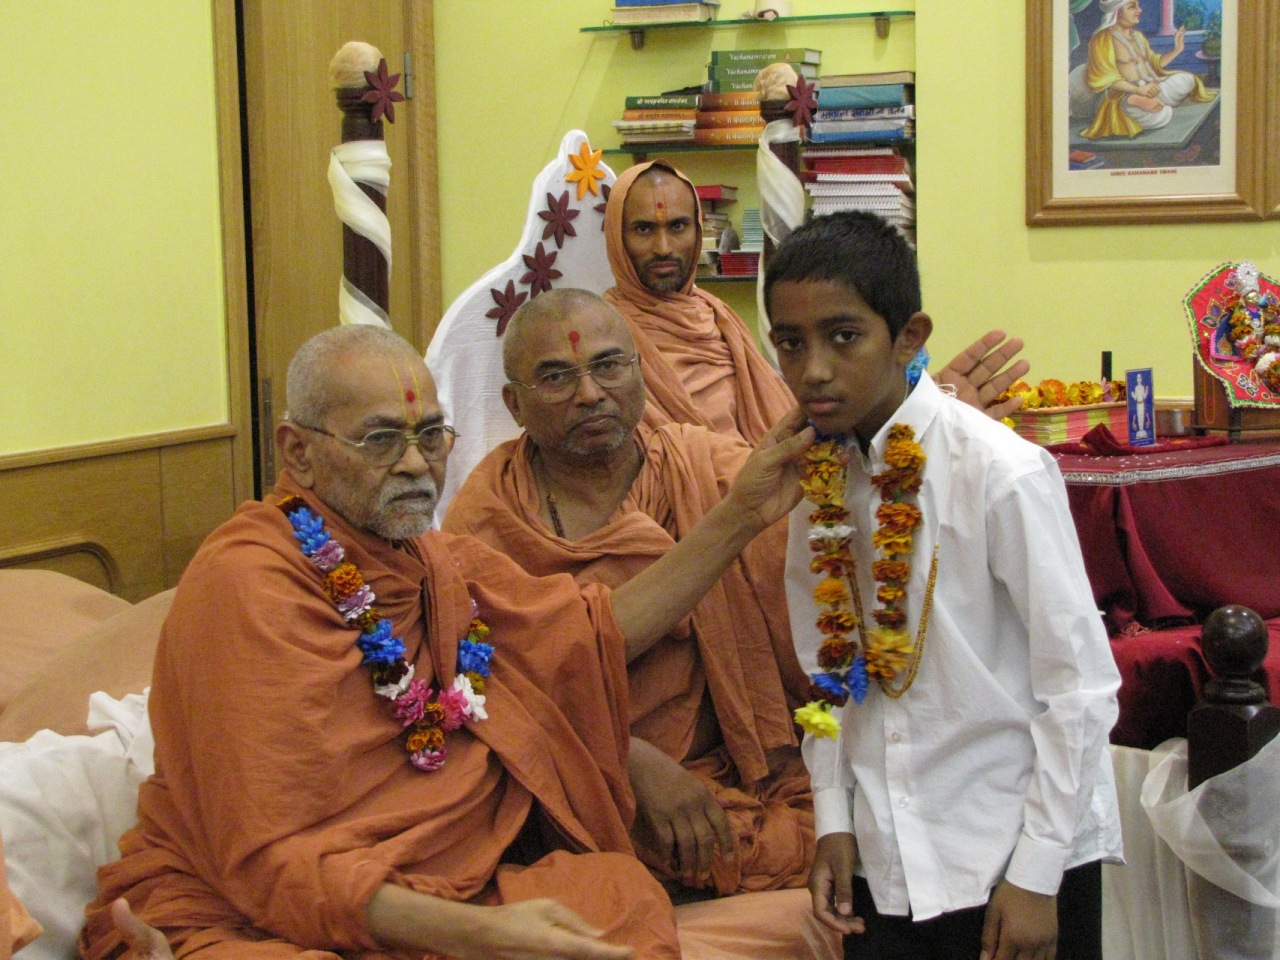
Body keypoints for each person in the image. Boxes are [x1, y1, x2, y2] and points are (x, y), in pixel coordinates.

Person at [79, 324, 812, 960]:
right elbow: (269, 859)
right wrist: (478, 936)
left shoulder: (434, 562)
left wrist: (741, 514)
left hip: (450, 881)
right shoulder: (247, 585)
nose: (414, 463)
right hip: (265, 907)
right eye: (381, 438)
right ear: (296, 454)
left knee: (616, 898)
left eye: (431, 436)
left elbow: (591, 635)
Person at [763, 211, 1123, 960]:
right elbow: (827, 672)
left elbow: (1080, 687)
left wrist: (1036, 874)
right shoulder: (815, 481)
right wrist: (832, 815)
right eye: (790, 343)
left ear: (909, 336)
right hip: (884, 857)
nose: (814, 370)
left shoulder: (1000, 473)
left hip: (1011, 857)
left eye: (843, 336)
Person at [443, 289, 836, 955]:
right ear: (514, 403)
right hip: (578, 797)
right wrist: (621, 758)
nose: (590, 393)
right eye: (557, 376)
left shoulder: (697, 464)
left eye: (609, 366)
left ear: (641, 373)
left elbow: (821, 537)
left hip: (734, 783)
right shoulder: (488, 516)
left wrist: (920, 416)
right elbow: (495, 689)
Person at [602, 160, 1029, 447]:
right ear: (616, 239)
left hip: (785, 510)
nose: (663, 247)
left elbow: (801, 421)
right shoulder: (603, 334)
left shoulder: (716, 316)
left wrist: (925, 406)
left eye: (678, 226)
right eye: (643, 229)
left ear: (699, 230)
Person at [1080, 0, 1213, 140]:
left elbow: (1155, 63)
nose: (1139, 10)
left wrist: (1177, 49)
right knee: (1163, 115)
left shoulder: (1137, 36)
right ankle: (1136, 101)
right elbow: (1104, 78)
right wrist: (1137, 91)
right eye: (1132, 7)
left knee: (1187, 80)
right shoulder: (1102, 40)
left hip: (1152, 85)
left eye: (1137, 5)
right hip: (1123, 95)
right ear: (1117, 13)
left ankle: (1152, 102)